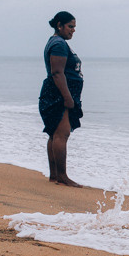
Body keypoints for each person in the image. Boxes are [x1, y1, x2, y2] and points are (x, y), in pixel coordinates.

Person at [38, 11, 83, 187]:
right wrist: (67, 98)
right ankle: (62, 176)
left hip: (54, 93)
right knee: (61, 134)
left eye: (74, 27)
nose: (73, 30)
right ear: (59, 25)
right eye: (70, 26)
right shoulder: (58, 44)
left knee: (54, 134)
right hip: (58, 94)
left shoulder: (57, 42)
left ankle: (55, 175)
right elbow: (57, 73)